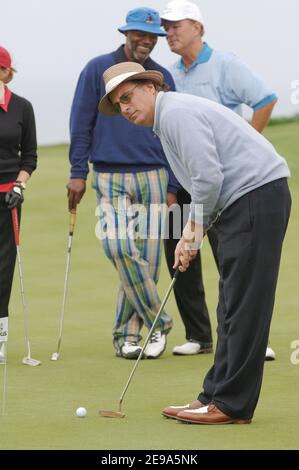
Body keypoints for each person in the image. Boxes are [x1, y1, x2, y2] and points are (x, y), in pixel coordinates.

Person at [98, 62, 291, 424]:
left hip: (256, 196)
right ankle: (212, 396)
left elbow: (208, 175)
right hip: (244, 200)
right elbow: (203, 181)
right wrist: (190, 231)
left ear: (150, 88)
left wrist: (194, 230)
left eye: (128, 97)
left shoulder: (176, 114)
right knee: (231, 306)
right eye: (118, 104)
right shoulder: (166, 119)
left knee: (245, 306)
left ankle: (231, 405)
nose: (125, 108)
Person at [160, 0, 278, 360]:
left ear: (198, 27)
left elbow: (266, 99)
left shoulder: (225, 64)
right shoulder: (167, 75)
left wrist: (249, 143)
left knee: (234, 258)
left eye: (177, 26)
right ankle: (199, 335)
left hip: (224, 182)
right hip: (182, 184)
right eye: (166, 28)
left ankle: (249, 337)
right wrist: (169, 187)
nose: (170, 33)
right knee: (180, 254)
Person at [67, 8, 179, 360]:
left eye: (152, 36)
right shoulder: (97, 68)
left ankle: (127, 337)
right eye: (139, 34)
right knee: (117, 246)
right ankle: (158, 320)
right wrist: (77, 172)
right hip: (109, 173)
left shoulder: (161, 77)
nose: (146, 41)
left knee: (147, 259)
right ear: (126, 34)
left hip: (155, 175)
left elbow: (175, 135)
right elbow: (81, 121)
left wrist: (174, 184)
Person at [0, 46, 37, 363]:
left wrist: (20, 185)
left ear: (6, 72)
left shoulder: (22, 108)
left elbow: (30, 156)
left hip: (8, 197)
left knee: (3, 268)